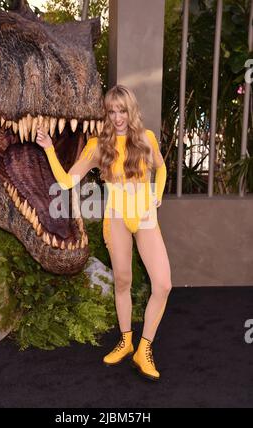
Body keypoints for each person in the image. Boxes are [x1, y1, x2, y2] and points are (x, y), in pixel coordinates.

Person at [36, 85, 172, 381]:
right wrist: (48, 147)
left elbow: (160, 169)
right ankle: (126, 341)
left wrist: (158, 194)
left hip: (146, 218)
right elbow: (67, 181)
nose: (117, 116)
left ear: (130, 111)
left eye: (122, 110)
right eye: (111, 111)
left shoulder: (146, 139)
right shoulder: (99, 146)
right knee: (123, 282)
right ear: (107, 114)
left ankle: (143, 349)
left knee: (162, 285)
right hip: (117, 219)